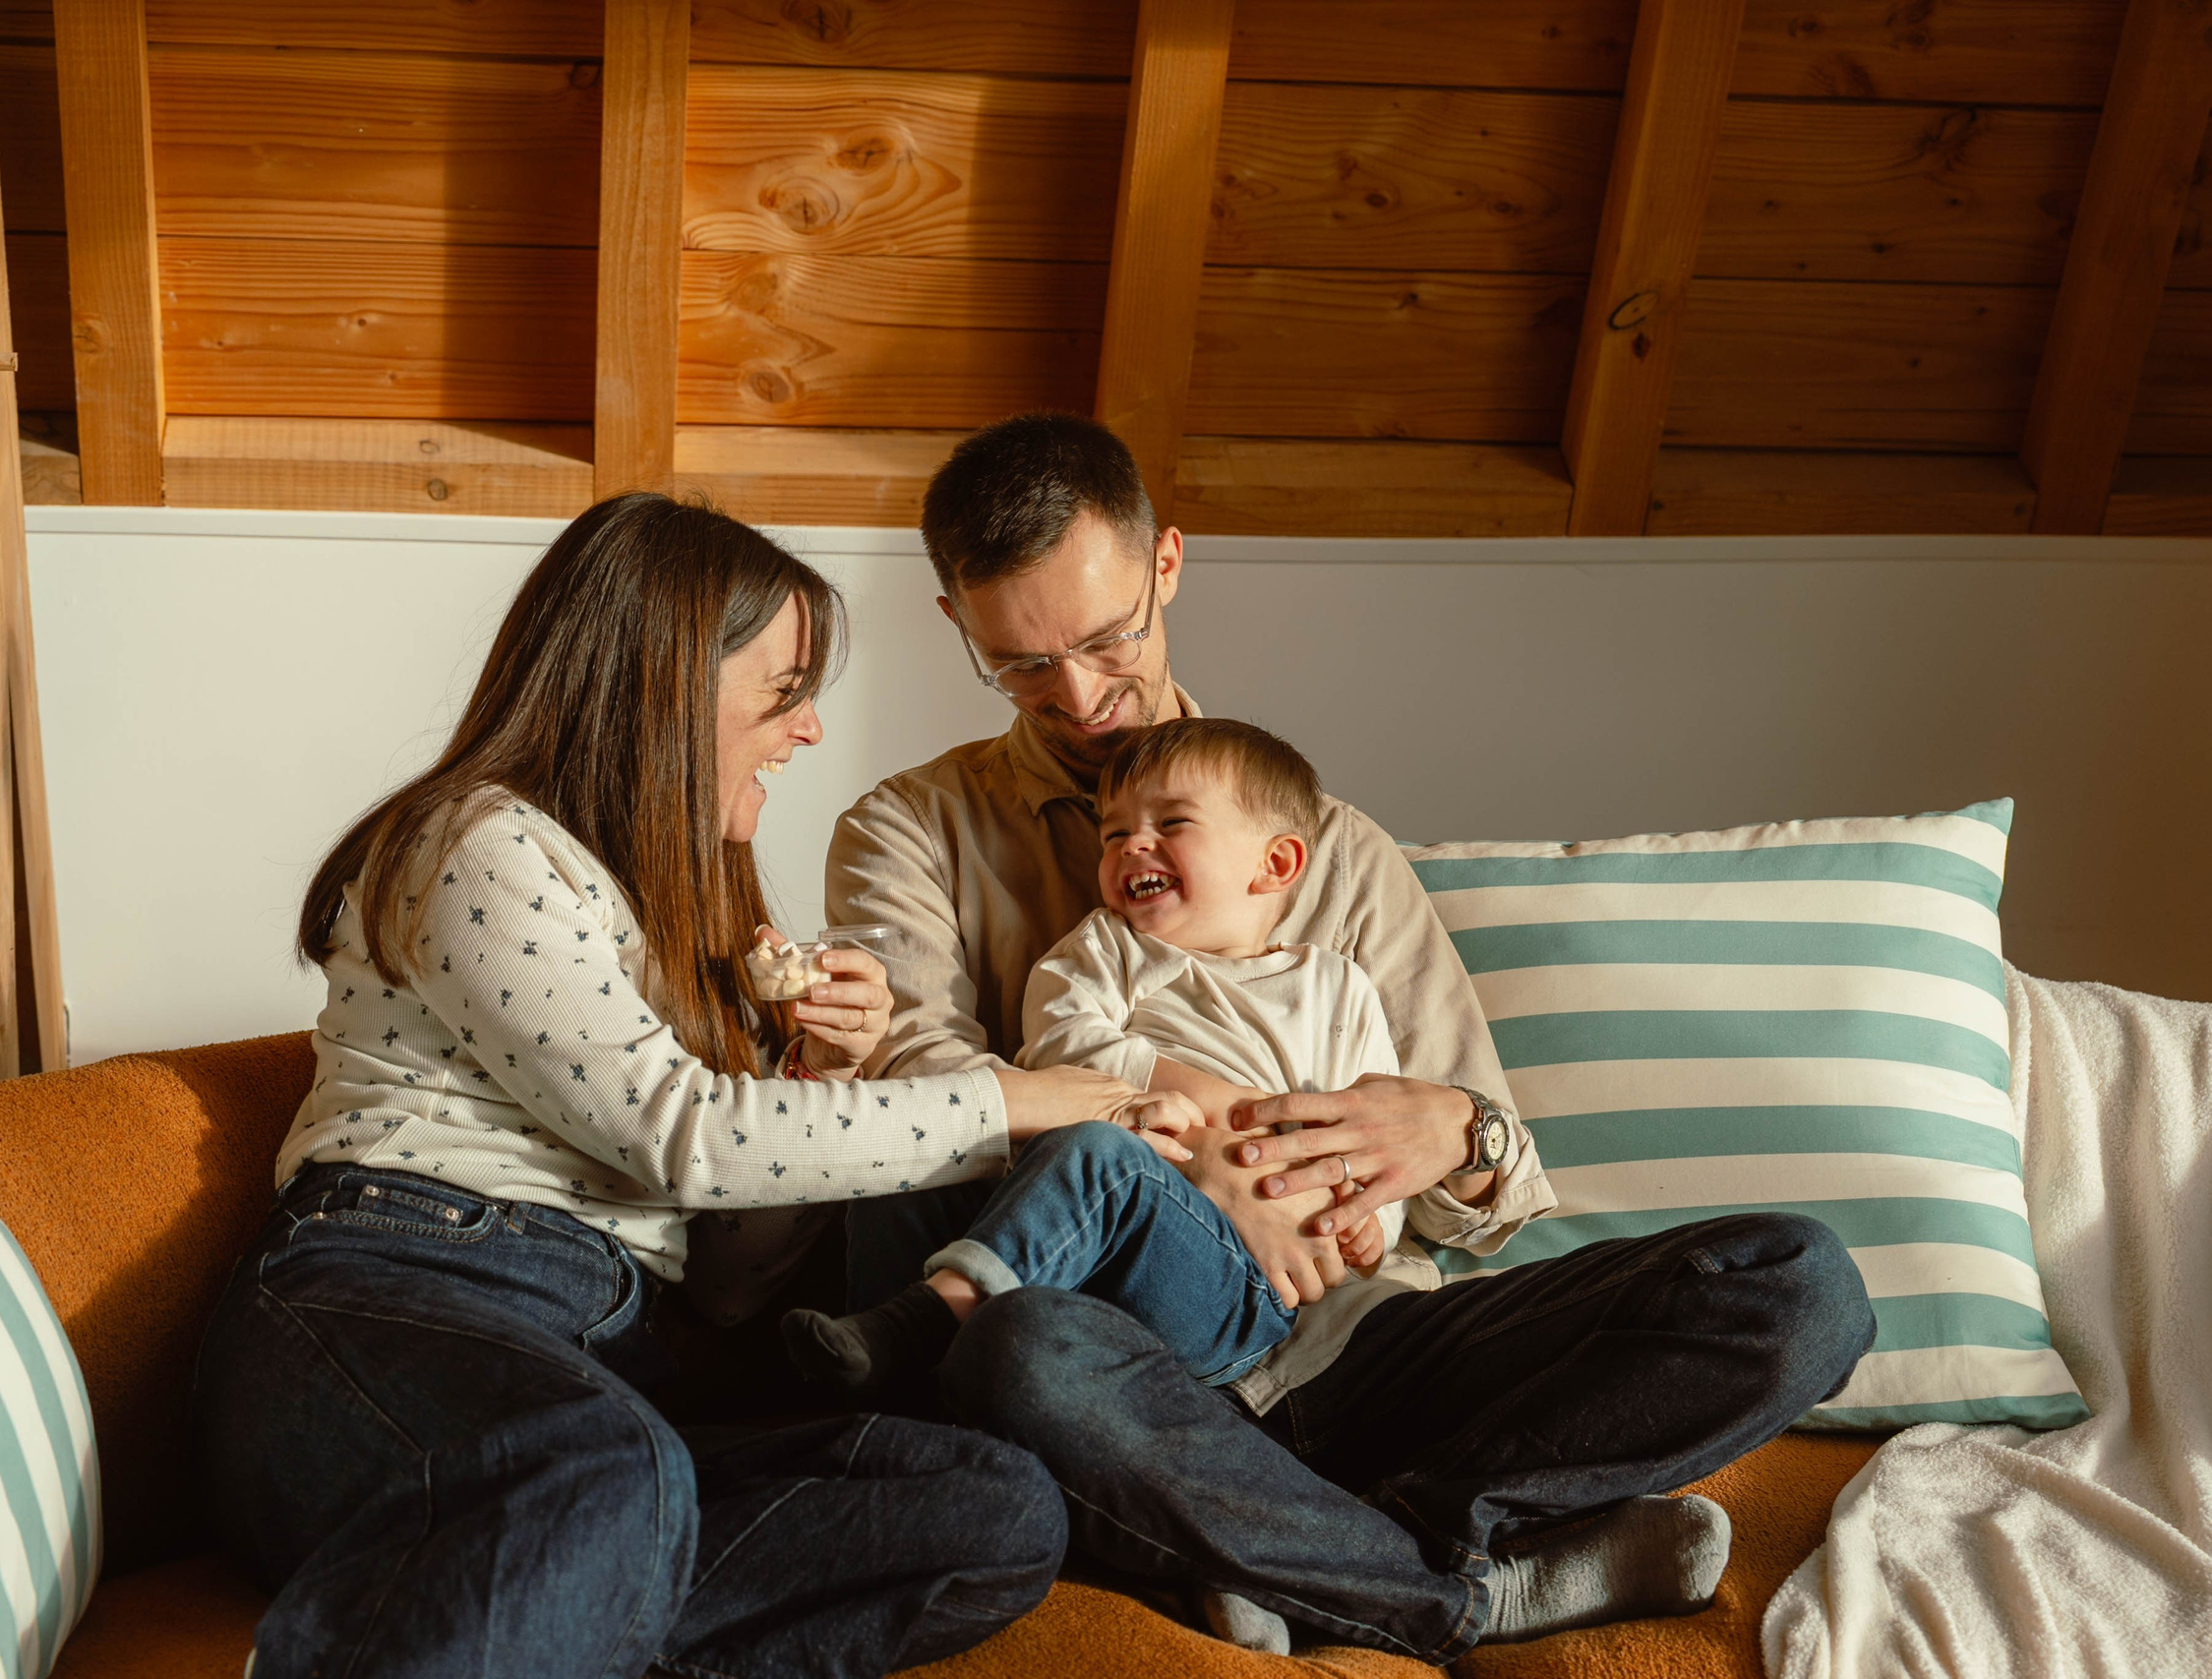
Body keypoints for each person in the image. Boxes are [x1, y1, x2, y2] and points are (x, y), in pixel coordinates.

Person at [825, 414, 1880, 1660]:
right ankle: (1455, 1590)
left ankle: (1336, 1537)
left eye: (1109, 638)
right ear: (955, 622)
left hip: (1376, 1341)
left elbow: (1491, 1200)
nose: (1081, 697)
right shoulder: (907, 833)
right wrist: (1196, 1162)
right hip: (1142, 1360)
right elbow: (923, 1102)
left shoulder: (1333, 851)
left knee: (1799, 1285)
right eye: (1020, 665)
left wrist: (1456, 1131)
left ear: (1167, 564)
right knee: (1012, 1345)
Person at [193, 493, 1146, 1679]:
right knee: (609, 1469)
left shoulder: (686, 916)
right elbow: (682, 1134)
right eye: (784, 691)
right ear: (664, 689)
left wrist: (810, 1070)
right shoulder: (477, 844)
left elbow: (731, 1285)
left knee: (992, 1504)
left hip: (607, 1368)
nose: (807, 730)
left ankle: (534, 1623)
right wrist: (1010, 1099)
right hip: (395, 1297)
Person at [782, 717, 1419, 1403]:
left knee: (1102, 1152)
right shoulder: (1110, 945)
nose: (1132, 845)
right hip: (1094, 1247)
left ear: (1277, 864)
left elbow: (1372, 1132)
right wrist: (1201, 1107)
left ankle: (919, 1322)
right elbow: (1059, 1040)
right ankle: (870, 1376)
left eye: (1172, 823)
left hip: (1246, 1287)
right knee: (921, 1154)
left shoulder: (1336, 987)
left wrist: (1367, 1227)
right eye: (1114, 834)